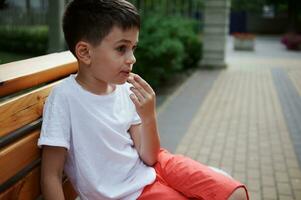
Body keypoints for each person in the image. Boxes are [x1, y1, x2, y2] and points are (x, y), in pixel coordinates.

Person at [38, 0, 249, 199]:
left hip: (158, 166)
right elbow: (51, 175)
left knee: (235, 193)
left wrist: (148, 116)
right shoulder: (65, 98)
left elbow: (150, 156)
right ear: (85, 52)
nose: (132, 58)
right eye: (122, 48)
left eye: (133, 48)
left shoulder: (125, 89)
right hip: (130, 193)